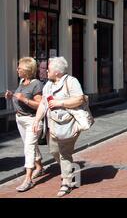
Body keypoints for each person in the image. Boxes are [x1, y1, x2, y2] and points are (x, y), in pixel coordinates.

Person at [32, 57, 86, 197]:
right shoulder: (48, 85)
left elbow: (79, 99)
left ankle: (66, 183)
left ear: (56, 72)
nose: (45, 72)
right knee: (54, 151)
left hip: (70, 124)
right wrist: (37, 120)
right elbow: (44, 104)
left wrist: (60, 103)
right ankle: (70, 169)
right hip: (54, 125)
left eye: (48, 69)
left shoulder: (71, 81)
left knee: (64, 152)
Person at [4, 58, 44, 192]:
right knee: (30, 145)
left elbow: (40, 104)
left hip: (32, 120)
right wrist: (12, 96)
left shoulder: (36, 84)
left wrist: (24, 99)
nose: (17, 70)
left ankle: (28, 179)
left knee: (29, 147)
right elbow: (18, 95)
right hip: (20, 119)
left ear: (27, 70)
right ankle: (39, 167)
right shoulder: (22, 81)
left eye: (19, 68)